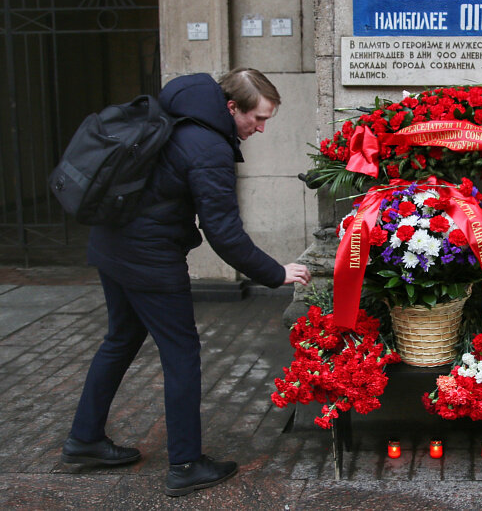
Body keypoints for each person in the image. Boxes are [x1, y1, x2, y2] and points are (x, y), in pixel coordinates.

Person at [60, 69, 311, 497]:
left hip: (111, 245)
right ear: (232, 107)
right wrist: (275, 273)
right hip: (149, 259)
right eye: (258, 118)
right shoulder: (208, 145)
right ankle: (186, 463)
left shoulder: (175, 114)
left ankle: (85, 439)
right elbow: (224, 233)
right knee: (182, 353)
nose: (262, 129)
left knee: (120, 339)